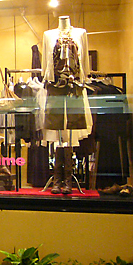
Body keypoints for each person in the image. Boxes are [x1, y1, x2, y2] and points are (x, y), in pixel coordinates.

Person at [42, 15, 92, 194]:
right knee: (56, 128)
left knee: (72, 127)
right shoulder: (48, 35)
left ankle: (68, 180)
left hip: (74, 85)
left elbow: (84, 62)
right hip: (55, 85)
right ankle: (57, 179)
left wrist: (83, 79)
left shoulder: (81, 33)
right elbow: (45, 65)